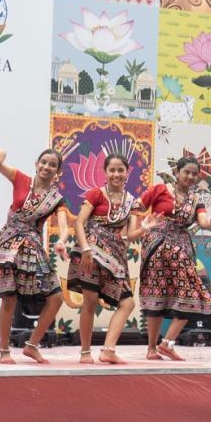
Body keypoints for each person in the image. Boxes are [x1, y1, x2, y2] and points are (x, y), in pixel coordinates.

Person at [0, 147, 69, 365]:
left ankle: (32, 346)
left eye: (52, 165)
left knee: (56, 297)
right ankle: (3, 350)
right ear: (36, 164)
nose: (47, 167)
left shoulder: (56, 199)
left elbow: (65, 227)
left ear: (57, 172)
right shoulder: (20, 179)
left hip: (33, 248)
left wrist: (61, 241)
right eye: (44, 162)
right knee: (9, 298)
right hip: (9, 243)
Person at [136, 155, 211, 360]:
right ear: (177, 173)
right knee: (156, 298)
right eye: (187, 172)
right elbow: (137, 207)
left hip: (180, 249)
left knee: (192, 293)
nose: (191, 176)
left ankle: (167, 342)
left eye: (195, 173)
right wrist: (140, 225)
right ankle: (151, 349)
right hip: (156, 247)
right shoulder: (160, 190)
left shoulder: (196, 200)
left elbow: (202, 221)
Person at [70, 153, 147, 364]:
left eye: (120, 170)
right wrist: (85, 248)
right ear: (105, 172)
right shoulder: (96, 194)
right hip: (91, 253)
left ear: (127, 172)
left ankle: (108, 350)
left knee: (128, 302)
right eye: (112, 170)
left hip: (114, 256)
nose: (116, 174)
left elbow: (130, 235)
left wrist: (144, 228)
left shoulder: (131, 202)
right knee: (90, 301)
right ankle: (85, 352)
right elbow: (79, 223)